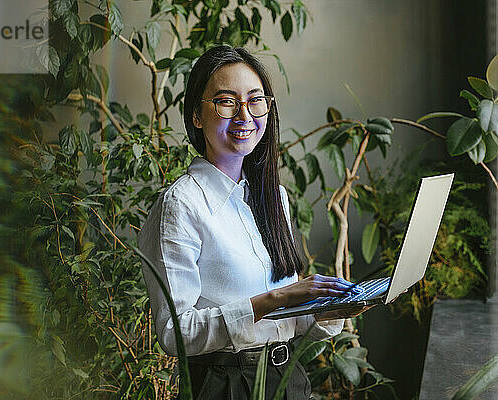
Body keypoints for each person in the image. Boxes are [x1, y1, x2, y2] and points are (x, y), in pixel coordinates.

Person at [138, 45, 366, 400]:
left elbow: (287, 322)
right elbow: (174, 333)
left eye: (256, 100)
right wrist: (272, 299)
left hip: (287, 378)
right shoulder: (180, 206)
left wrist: (326, 311)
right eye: (227, 102)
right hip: (224, 385)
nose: (245, 116)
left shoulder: (274, 196)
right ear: (197, 115)